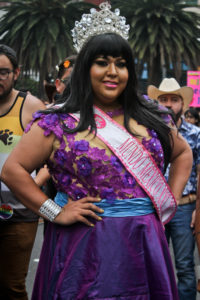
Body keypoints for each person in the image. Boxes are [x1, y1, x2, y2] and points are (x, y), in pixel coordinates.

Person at [1, 3, 192, 299]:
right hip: (83, 242)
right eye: (102, 62)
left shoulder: (151, 115)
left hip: (144, 238)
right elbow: (12, 170)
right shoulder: (57, 120)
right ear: (86, 67)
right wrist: (54, 212)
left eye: (121, 63)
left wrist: (170, 199)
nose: (112, 72)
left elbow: (182, 154)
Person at [148, 77, 200, 300]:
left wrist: (198, 208)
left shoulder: (196, 134)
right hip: (152, 207)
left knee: (185, 267)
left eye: (174, 100)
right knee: (151, 265)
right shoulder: (146, 133)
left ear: (183, 104)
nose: (168, 104)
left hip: (184, 208)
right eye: (163, 99)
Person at [0, 44, 45, 299]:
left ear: (16, 73)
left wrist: (33, 185)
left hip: (18, 214)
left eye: (3, 72)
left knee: (11, 286)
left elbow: (52, 157)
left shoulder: (31, 107)